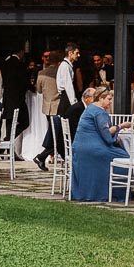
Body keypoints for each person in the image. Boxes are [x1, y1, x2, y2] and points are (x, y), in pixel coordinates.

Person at [69, 85, 127, 202]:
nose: (110, 103)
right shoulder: (99, 112)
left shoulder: (90, 109)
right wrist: (121, 126)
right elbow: (106, 134)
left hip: (80, 147)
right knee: (124, 158)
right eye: (109, 99)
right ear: (101, 98)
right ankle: (115, 193)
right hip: (92, 149)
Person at [37, 43, 83, 171]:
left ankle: (42, 157)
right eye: (77, 53)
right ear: (70, 53)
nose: (78, 55)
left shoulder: (66, 66)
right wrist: (74, 104)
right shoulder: (65, 66)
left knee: (61, 133)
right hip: (66, 101)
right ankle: (44, 156)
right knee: (63, 132)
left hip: (65, 100)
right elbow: (68, 86)